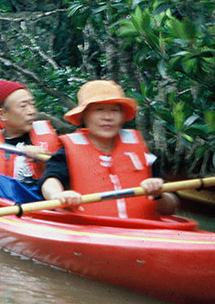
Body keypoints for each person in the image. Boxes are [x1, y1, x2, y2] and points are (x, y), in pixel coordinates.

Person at [40, 80, 178, 217]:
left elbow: (170, 207)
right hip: (89, 230)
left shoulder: (145, 155)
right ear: (84, 116)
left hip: (140, 230)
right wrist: (58, 195)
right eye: (99, 110)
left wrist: (159, 194)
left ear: (122, 116)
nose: (107, 117)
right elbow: (50, 181)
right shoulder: (66, 153)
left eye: (114, 110)